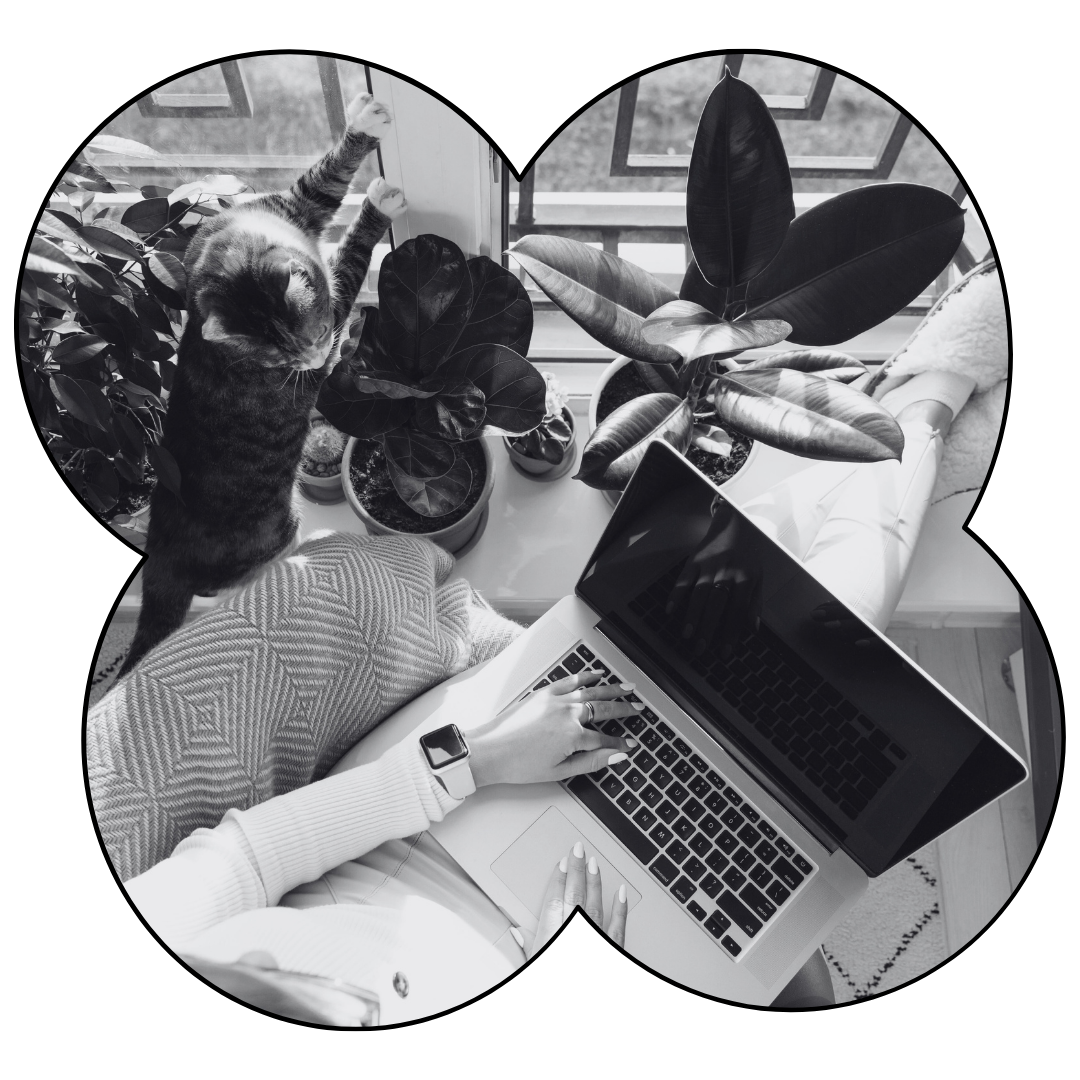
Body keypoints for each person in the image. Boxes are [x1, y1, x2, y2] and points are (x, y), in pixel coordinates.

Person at [106, 260, 1006, 1019]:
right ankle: (917, 410)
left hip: (419, 822)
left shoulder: (182, 936)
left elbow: (258, 853)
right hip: (550, 930)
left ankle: (905, 418)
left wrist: (475, 759)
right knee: (815, 650)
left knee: (730, 622)